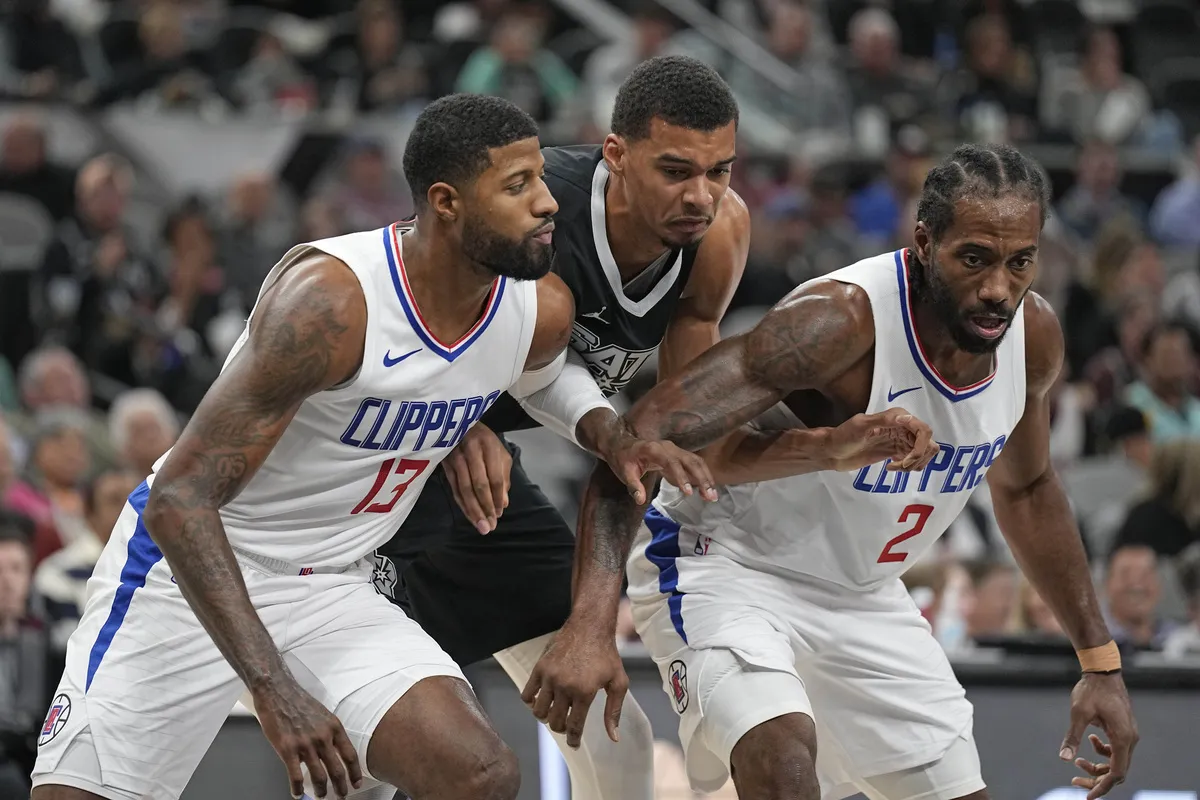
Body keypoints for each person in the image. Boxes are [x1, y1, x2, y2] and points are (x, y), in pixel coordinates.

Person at [31, 94, 708, 800]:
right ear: (446, 202)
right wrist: (274, 688)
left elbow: (546, 381)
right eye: (518, 186)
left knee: (480, 775)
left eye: (541, 179)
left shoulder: (533, 307)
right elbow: (179, 500)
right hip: (192, 569)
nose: (546, 203)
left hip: (331, 583)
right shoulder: (331, 302)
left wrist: (608, 433)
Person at [374, 57, 933, 800]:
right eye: (675, 170)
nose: (701, 195)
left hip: (485, 484)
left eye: (720, 170)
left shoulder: (717, 235)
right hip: (378, 463)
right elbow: (400, 279)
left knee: (612, 732)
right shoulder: (537, 212)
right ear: (616, 156)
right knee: (362, 745)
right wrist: (447, 412)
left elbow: (685, 443)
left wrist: (828, 449)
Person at [527, 143, 1140, 800]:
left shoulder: (1033, 335)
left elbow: (1026, 487)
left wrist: (1099, 662)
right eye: (974, 260)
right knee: (783, 761)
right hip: (728, 563)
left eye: (1020, 262)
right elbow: (638, 443)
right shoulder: (839, 321)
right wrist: (592, 623)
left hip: (863, 592)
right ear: (924, 242)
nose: (998, 288)